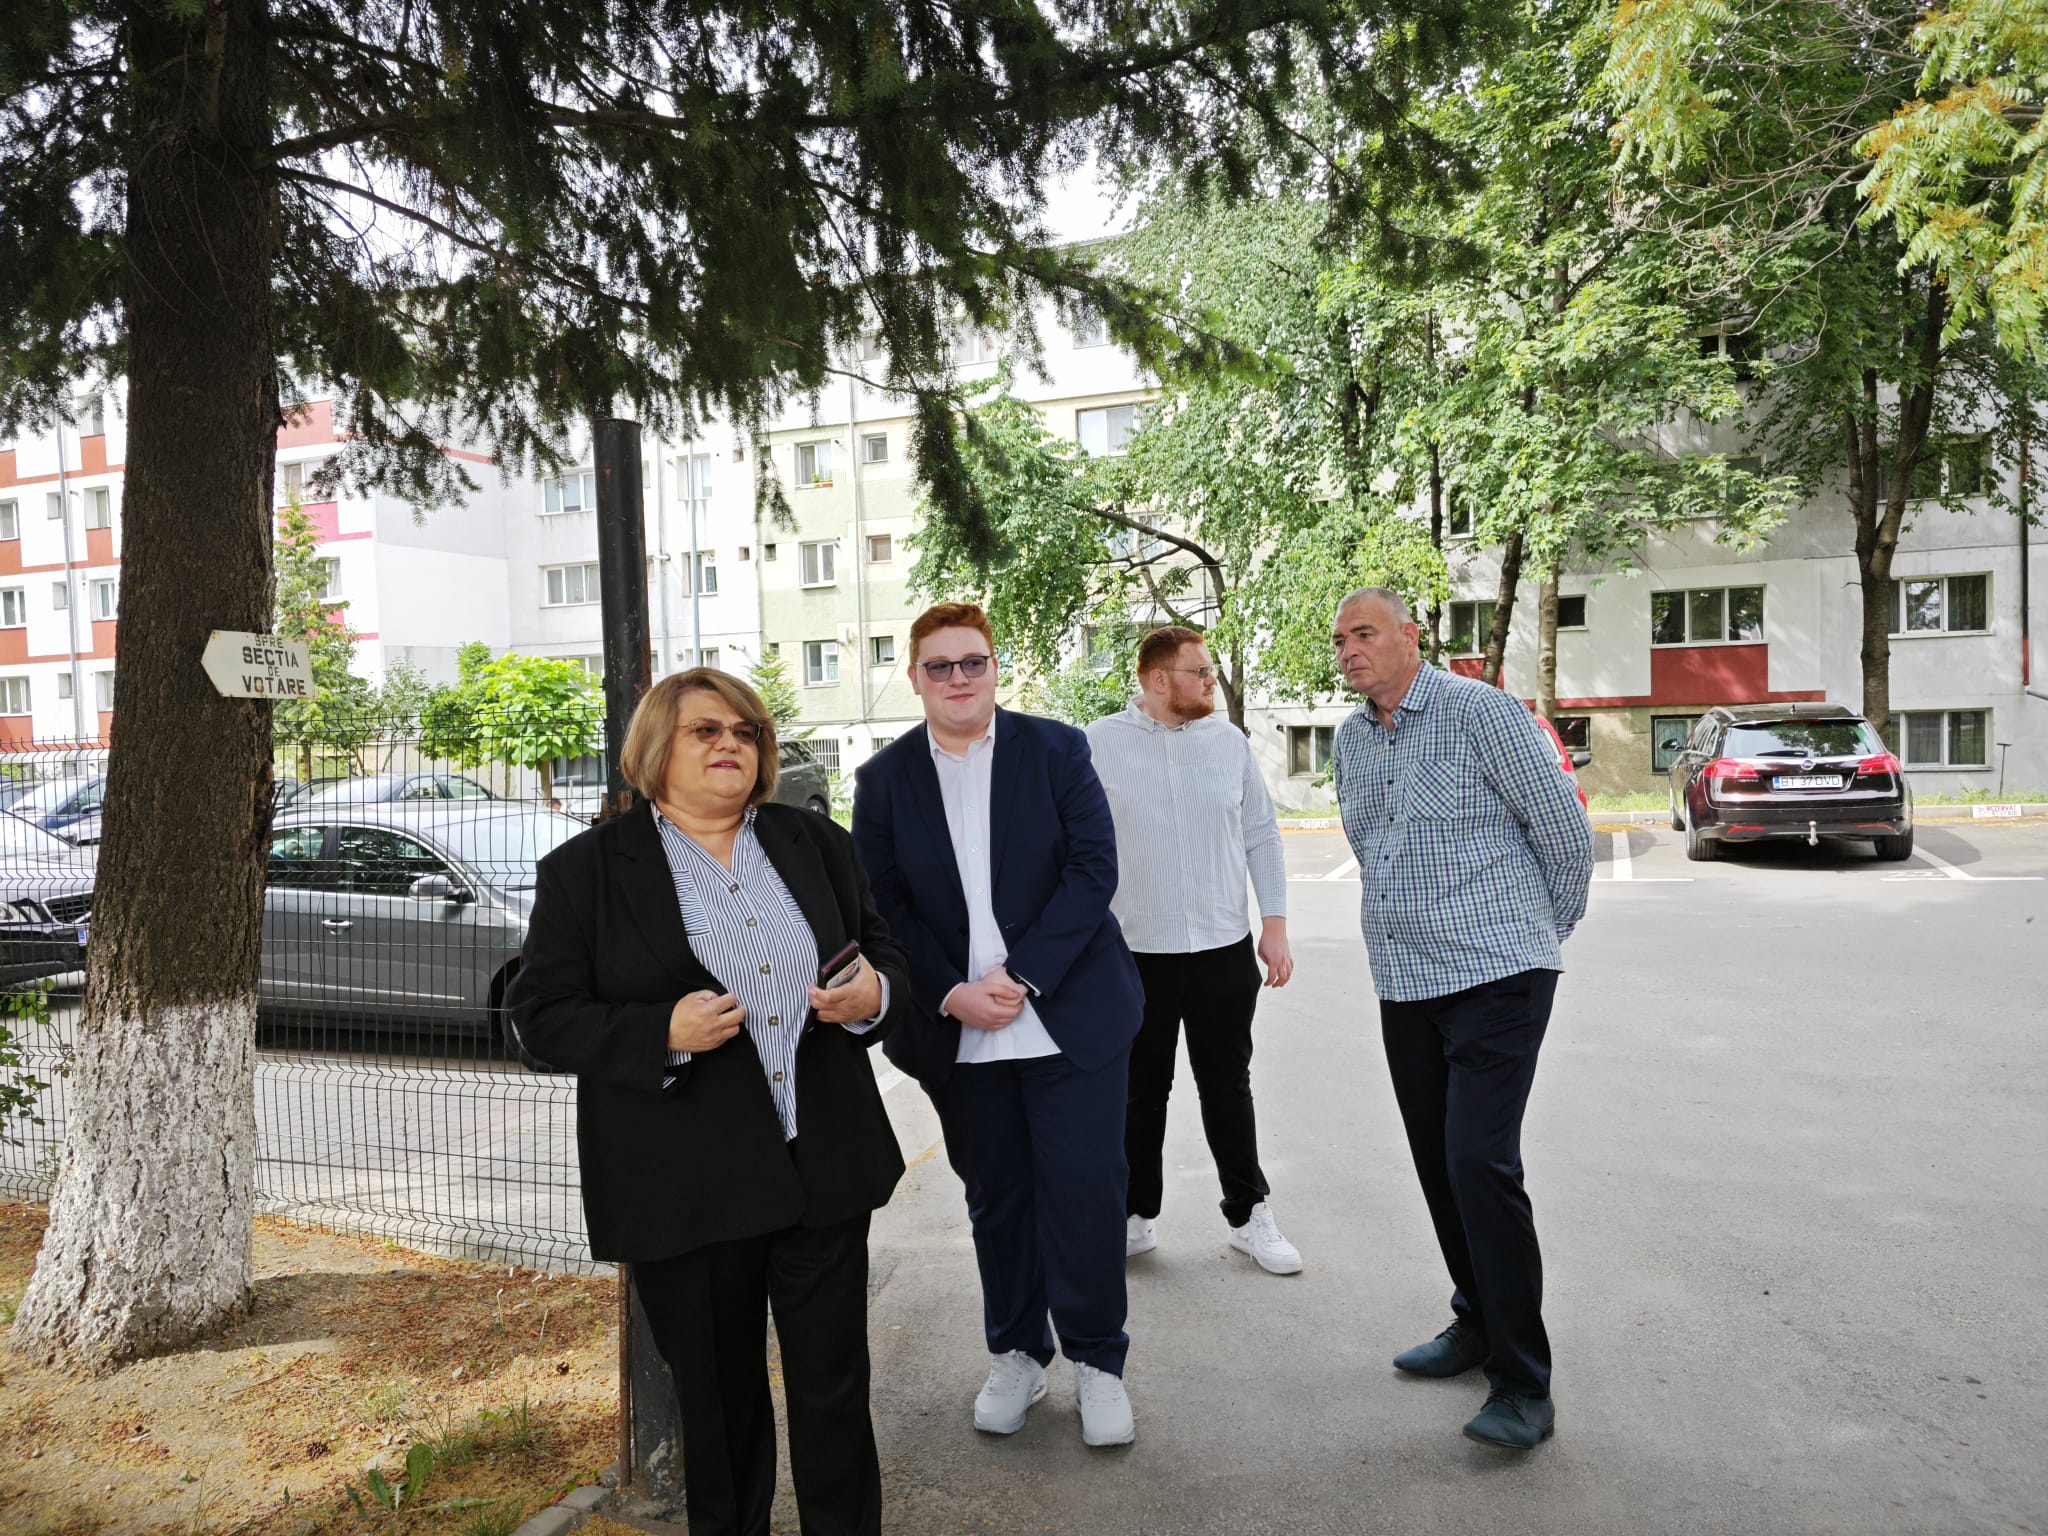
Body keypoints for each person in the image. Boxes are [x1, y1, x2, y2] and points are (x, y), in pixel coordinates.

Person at [508, 668, 911, 1536]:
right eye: (706, 730)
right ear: (657, 748)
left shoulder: (814, 842)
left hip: (823, 1164)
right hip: (686, 1186)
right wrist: (660, 1029)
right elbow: (539, 1016)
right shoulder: (587, 872)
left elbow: (883, 952)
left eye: (746, 731)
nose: (732, 743)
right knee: (721, 1411)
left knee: (835, 1390)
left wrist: (874, 992)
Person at [851, 602, 1145, 1448]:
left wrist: (1019, 976)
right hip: (960, 1030)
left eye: (971, 661)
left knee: (1086, 1192)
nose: (957, 678)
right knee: (999, 1198)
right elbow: (881, 905)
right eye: (938, 665)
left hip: (1068, 1014)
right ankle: (1018, 1351)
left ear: (994, 668)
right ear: (915, 677)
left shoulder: (1056, 750)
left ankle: (1098, 1361)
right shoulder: (883, 780)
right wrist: (950, 993)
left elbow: (1093, 871)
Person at [1328, 588, 1592, 1452]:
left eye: (1364, 633)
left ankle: (1523, 1383)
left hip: (1498, 976)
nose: (1349, 650)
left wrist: (1532, 935)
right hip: (1406, 980)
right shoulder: (1351, 739)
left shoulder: (1481, 712)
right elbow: (1372, 846)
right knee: (1440, 1164)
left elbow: (1564, 833)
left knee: (1480, 1162)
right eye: (1340, 640)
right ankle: (1476, 1319)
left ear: (1411, 636)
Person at [1086, 625, 1301, 1275]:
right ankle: (1133, 1214)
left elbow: (1262, 833)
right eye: (1199, 672)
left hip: (1220, 947)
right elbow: (1073, 846)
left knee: (1227, 1085)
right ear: (1158, 680)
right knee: (1139, 1091)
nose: (1211, 680)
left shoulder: (1227, 742)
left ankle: (1249, 1215)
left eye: (1209, 671)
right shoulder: (1098, 744)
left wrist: (1274, 924)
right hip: (1133, 953)